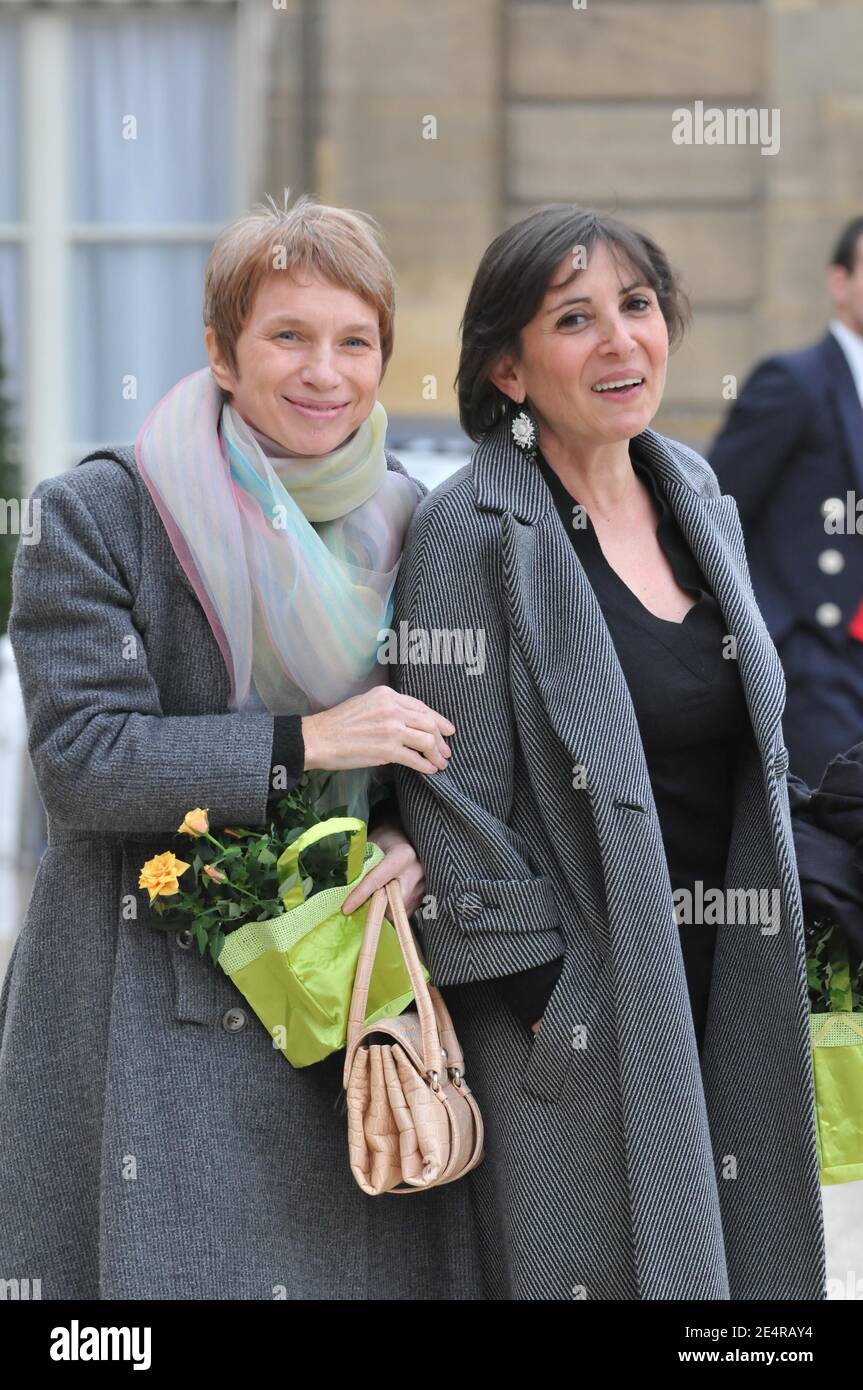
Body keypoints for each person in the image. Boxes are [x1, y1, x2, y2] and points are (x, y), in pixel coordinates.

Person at [0, 193, 483, 1300]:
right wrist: (305, 740)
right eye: (287, 335)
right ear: (221, 351)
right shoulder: (97, 513)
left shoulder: (422, 523)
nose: (324, 371)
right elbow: (82, 762)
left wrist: (415, 839)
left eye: (353, 341)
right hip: (143, 1006)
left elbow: (452, 748)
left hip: (350, 1000)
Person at [392, 204, 844, 1300]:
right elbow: (450, 805)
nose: (620, 342)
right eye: (573, 319)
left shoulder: (691, 490)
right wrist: (563, 1002)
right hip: (585, 1014)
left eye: (636, 307)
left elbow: (734, 741)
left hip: (725, 978)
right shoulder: (473, 528)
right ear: (506, 367)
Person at [709, 215, 863, 786]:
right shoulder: (795, 381)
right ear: (840, 282)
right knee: (832, 834)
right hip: (814, 659)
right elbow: (714, 511)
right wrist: (774, 634)